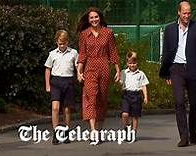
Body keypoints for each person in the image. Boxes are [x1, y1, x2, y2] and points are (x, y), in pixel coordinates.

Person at [159, 0, 196, 147]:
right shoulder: (169, 30)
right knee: (179, 102)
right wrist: (166, 73)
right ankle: (184, 136)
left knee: (194, 104)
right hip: (176, 69)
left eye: (189, 12)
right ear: (179, 13)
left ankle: (192, 131)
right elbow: (166, 53)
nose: (187, 15)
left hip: (193, 69)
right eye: (184, 12)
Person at [76, 7, 120, 137]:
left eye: (96, 17)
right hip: (89, 68)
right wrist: (79, 71)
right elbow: (82, 55)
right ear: (88, 20)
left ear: (100, 18)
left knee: (101, 98)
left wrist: (117, 70)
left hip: (104, 67)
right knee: (91, 97)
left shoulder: (108, 33)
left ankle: (99, 130)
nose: (94, 19)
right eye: (91, 18)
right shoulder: (84, 35)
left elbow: (112, 52)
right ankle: (93, 130)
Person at [44, 30, 78, 145]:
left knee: (67, 109)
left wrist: (79, 75)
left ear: (67, 42)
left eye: (64, 43)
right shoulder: (52, 54)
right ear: (57, 42)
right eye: (60, 43)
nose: (62, 46)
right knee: (55, 107)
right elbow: (48, 69)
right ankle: (56, 133)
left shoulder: (73, 53)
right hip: (56, 81)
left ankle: (66, 131)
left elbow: (78, 66)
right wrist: (48, 85)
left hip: (68, 81)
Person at [120, 52, 149, 140]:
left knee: (134, 116)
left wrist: (145, 97)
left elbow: (144, 86)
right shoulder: (124, 72)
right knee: (125, 114)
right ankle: (126, 129)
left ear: (137, 63)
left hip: (136, 96)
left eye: (134, 63)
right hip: (126, 95)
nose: (132, 65)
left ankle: (133, 133)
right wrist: (120, 82)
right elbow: (120, 82)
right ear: (127, 63)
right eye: (130, 63)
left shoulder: (141, 74)